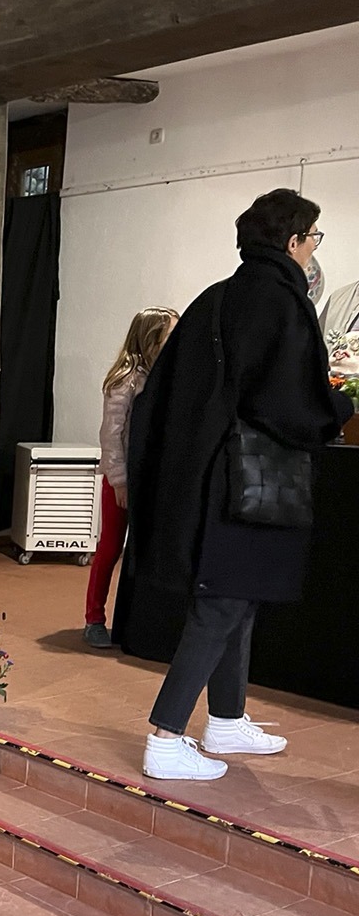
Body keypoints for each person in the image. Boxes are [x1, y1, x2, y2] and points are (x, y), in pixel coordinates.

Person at [127, 189, 353, 781]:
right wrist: (339, 405)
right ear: (292, 240)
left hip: (208, 476)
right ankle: (165, 737)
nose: (313, 248)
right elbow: (289, 404)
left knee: (237, 597)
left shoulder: (217, 296)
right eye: (312, 237)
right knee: (222, 604)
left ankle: (226, 719)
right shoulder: (282, 301)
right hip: (245, 483)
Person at [83, 308, 178, 649]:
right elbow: (111, 435)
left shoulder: (161, 375)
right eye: (168, 336)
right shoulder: (124, 381)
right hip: (121, 480)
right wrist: (120, 481)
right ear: (150, 340)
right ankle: (94, 619)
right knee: (110, 547)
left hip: (149, 477)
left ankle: (135, 621)